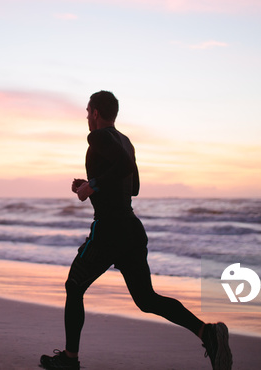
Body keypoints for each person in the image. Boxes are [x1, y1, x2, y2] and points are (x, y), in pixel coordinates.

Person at [40, 91, 232, 370]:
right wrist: (90, 183)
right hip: (130, 229)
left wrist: (92, 185)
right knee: (146, 299)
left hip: (109, 230)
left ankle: (69, 360)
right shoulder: (126, 141)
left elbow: (125, 169)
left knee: (74, 286)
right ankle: (208, 333)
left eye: (87, 111)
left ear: (95, 112)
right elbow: (134, 187)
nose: (86, 116)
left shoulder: (98, 136)